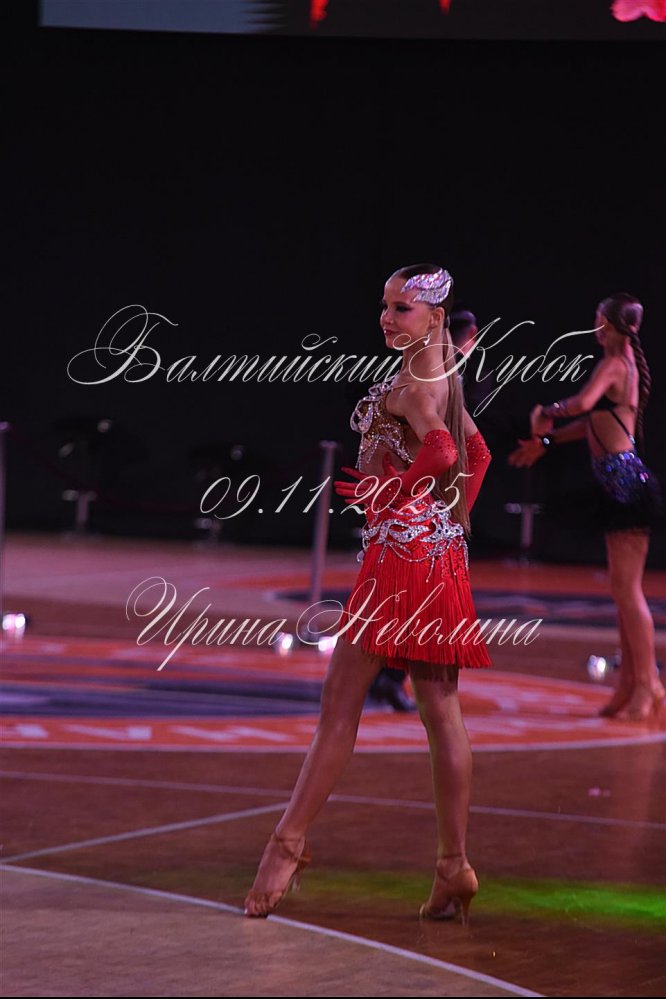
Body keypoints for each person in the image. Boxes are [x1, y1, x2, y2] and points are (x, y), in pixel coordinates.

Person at [244, 263, 492, 923]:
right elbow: (479, 455)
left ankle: (286, 844)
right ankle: (453, 864)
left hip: (398, 561)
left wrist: (399, 494)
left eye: (402, 308)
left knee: (338, 710)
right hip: (438, 558)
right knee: (442, 713)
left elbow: (443, 452)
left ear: (435, 317)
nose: (387, 317)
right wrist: (450, 522)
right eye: (384, 305)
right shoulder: (445, 378)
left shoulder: (414, 385)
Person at [508, 292, 665, 722]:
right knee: (622, 591)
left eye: (598, 319)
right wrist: (548, 439)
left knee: (628, 592)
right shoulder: (622, 364)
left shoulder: (614, 365)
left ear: (608, 325)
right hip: (617, 483)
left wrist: (545, 411)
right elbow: (593, 422)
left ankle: (649, 684)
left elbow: (581, 404)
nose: (595, 326)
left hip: (625, 484)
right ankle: (629, 683)